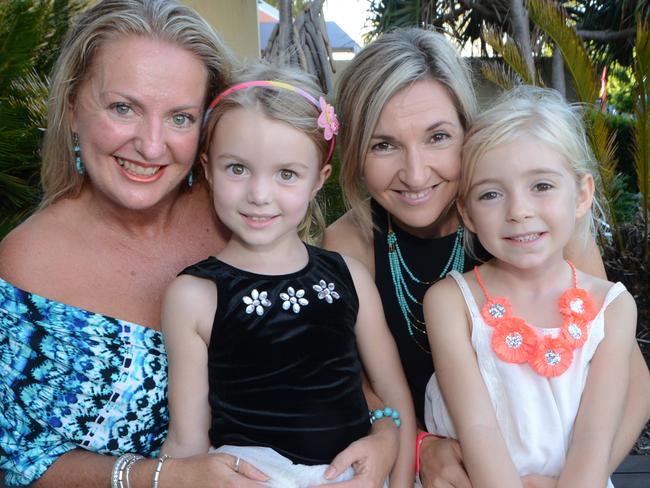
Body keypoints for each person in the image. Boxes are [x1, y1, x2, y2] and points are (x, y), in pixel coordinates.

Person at [0, 2, 398, 487]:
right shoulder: (22, 264)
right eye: (123, 107)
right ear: (70, 108)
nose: (150, 145)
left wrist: (386, 433)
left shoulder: (243, 211)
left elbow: (323, 362)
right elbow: (21, 458)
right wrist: (161, 477)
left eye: (181, 118)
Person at [323, 27, 650, 487]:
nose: (415, 173)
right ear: (356, 154)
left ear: (467, 130)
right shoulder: (349, 247)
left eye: (438, 137)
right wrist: (418, 446)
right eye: (384, 144)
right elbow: (351, 386)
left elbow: (630, 383)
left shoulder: (538, 230)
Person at [159, 63, 416, 488]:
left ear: (319, 180)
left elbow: (392, 396)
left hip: (353, 475)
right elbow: (187, 443)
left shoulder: (348, 277)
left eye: (286, 174)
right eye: (237, 168)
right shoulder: (195, 295)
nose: (260, 195)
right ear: (206, 167)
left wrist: (400, 478)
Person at [423, 86, 637, 487]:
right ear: (466, 212)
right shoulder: (451, 301)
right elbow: (478, 430)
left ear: (582, 194)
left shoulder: (613, 307)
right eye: (490, 194)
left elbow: (594, 438)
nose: (518, 211)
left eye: (541, 186)